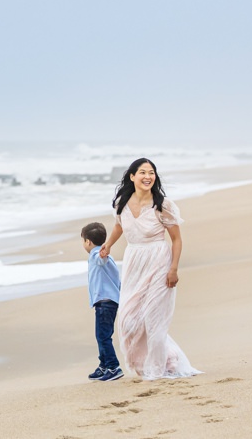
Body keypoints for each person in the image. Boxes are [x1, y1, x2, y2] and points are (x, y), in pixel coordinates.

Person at [99, 158, 200, 380]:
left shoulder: (163, 205)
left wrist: (173, 269)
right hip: (134, 262)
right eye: (143, 172)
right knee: (128, 319)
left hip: (159, 261)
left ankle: (157, 370)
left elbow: (176, 239)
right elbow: (119, 226)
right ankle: (159, 359)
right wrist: (108, 245)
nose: (148, 176)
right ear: (132, 176)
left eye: (151, 172)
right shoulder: (121, 203)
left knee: (154, 319)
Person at [81, 221, 123, 381]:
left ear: (88, 242)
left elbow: (100, 259)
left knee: (103, 336)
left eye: (83, 241)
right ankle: (104, 365)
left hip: (105, 302)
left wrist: (101, 254)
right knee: (102, 335)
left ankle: (113, 367)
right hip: (108, 302)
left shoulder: (97, 255)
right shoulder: (105, 257)